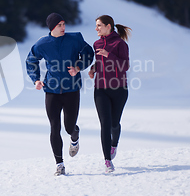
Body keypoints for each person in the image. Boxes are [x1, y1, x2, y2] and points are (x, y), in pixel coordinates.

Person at [26, 13, 94, 176]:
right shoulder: (43, 43)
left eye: (64, 24)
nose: (63, 28)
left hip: (71, 90)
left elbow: (89, 53)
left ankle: (75, 134)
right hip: (51, 90)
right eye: (60, 25)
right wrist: (36, 80)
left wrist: (78, 67)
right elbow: (31, 60)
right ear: (52, 28)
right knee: (54, 127)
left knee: (69, 126)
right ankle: (60, 164)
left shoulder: (75, 39)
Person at [88, 15, 131, 173]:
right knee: (105, 123)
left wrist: (109, 55)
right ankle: (107, 160)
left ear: (108, 26)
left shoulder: (120, 44)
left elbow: (125, 66)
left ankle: (114, 144)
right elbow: (100, 63)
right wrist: (93, 69)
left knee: (114, 123)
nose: (96, 28)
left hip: (119, 89)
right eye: (96, 25)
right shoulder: (97, 44)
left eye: (99, 25)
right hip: (100, 89)